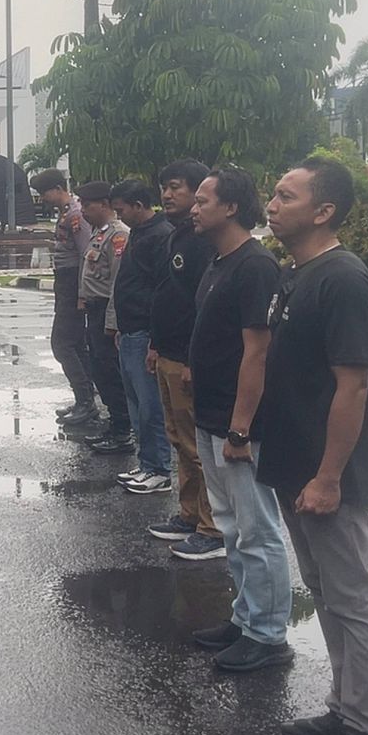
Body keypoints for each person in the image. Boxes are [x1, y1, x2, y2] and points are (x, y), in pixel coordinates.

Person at [261, 157, 368, 735]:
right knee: (326, 592)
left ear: (324, 211)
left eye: (285, 196)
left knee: (352, 599)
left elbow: (355, 385)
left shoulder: (343, 278)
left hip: (329, 473)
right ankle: (345, 711)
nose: (271, 204)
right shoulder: (298, 272)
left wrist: (329, 477)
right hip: (297, 465)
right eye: (273, 194)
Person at [184, 166, 292, 673]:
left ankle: (268, 637)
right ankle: (245, 617)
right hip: (211, 418)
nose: (194, 207)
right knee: (230, 525)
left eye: (203, 200)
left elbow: (258, 353)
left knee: (257, 529)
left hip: (239, 425)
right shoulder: (218, 262)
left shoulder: (256, 266)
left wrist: (240, 428)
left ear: (230, 208)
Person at [145, 159, 224, 559]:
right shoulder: (177, 235)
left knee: (197, 446)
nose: (167, 194)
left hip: (188, 358)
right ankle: (189, 514)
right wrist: (155, 344)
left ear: (198, 191)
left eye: (176, 186)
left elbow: (202, 306)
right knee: (179, 440)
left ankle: (213, 528)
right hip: (168, 353)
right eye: (164, 187)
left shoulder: (203, 242)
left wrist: (194, 359)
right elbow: (167, 294)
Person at [108, 179, 174, 494]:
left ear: (138, 205)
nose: (119, 216)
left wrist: (155, 340)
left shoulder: (160, 236)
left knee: (150, 407)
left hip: (145, 333)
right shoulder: (140, 232)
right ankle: (147, 463)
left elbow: (163, 290)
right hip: (130, 331)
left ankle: (159, 469)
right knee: (136, 405)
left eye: (121, 210)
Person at [30, 170, 97, 426]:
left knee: (62, 344)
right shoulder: (66, 213)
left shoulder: (75, 215)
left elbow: (85, 255)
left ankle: (86, 401)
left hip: (73, 284)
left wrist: (82, 293)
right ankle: (84, 399)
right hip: (65, 282)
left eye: (44, 193)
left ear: (58, 188)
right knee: (76, 344)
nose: (42, 198)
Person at [75, 182, 132, 454]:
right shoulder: (99, 233)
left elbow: (118, 284)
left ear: (105, 205)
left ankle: (123, 431)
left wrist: (112, 322)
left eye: (88, 205)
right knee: (99, 370)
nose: (83, 211)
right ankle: (115, 424)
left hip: (106, 312)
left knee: (110, 372)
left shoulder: (118, 235)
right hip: (94, 310)